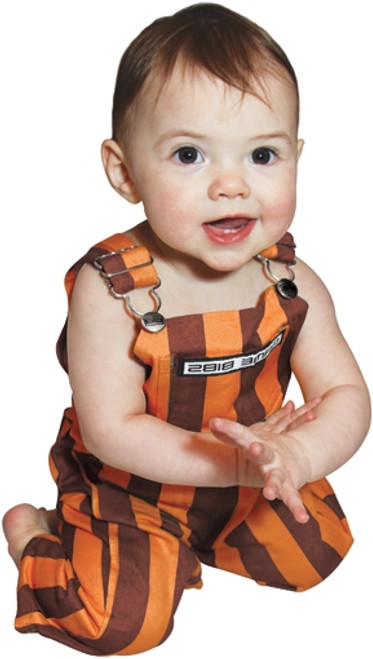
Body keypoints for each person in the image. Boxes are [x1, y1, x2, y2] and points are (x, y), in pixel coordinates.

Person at [3, 3, 370, 656]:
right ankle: (38, 537)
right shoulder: (111, 288)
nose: (230, 185)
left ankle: (187, 548)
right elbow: (112, 428)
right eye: (188, 154)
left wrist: (297, 457)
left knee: (319, 553)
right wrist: (229, 461)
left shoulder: (291, 281)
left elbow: (346, 393)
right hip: (130, 483)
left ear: (297, 155)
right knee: (122, 624)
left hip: (251, 472)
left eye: (262, 154)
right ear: (124, 171)